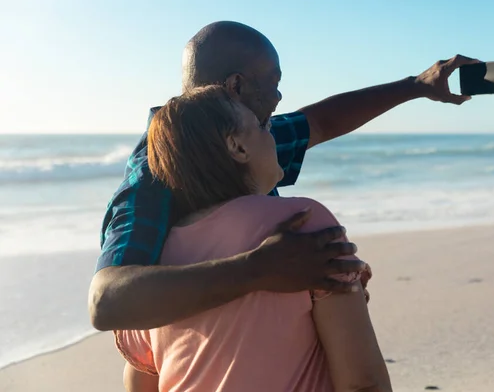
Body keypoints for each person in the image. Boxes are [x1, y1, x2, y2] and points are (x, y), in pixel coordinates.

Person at [88, 21, 477, 334]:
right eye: (273, 83)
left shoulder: (250, 138)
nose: (278, 98)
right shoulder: (155, 172)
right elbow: (106, 302)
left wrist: (416, 86)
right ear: (236, 86)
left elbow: (320, 122)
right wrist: (258, 269)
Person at [116, 85, 392, 391]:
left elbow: (140, 381)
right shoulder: (301, 222)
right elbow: (364, 383)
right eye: (263, 125)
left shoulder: (149, 260)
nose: (271, 135)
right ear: (238, 147)